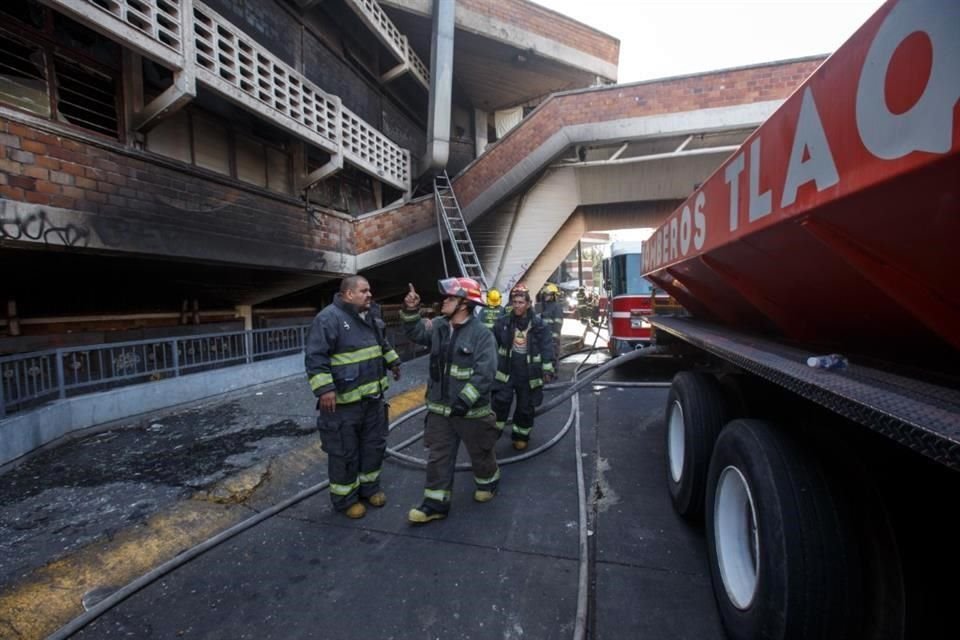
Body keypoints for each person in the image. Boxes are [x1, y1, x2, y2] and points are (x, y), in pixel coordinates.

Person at [401, 278, 500, 524]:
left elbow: (485, 374)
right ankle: (435, 504)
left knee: (481, 452)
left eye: (450, 298)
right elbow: (414, 332)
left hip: (472, 413)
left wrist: (464, 401)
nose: (444, 302)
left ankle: (488, 481)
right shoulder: (439, 326)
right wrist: (411, 310)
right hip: (439, 410)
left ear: (464, 304)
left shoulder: (482, 335)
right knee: (438, 457)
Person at [305, 276, 401, 519]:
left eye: (369, 290)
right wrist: (325, 389)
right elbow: (316, 358)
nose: (369, 294)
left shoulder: (371, 316)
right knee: (344, 453)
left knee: (373, 446)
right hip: (344, 405)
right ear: (348, 294)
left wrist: (393, 362)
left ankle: (370, 488)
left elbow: (382, 344)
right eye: (364, 291)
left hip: (373, 400)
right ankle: (345, 500)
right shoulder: (328, 319)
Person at [492, 283, 555, 451]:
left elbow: (547, 346)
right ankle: (491, 435)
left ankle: (521, 436)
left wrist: (547, 369)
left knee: (525, 407)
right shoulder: (503, 322)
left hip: (528, 374)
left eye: (521, 302)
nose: (517, 305)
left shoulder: (538, 324)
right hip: (506, 372)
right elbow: (491, 344)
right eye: (515, 302)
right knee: (499, 403)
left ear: (528, 304)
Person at [539, 282, 564, 367]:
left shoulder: (556, 307)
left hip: (552, 339)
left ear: (553, 295)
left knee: (552, 357)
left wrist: (554, 339)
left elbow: (558, 324)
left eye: (548, 294)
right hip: (544, 337)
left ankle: (554, 373)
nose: (546, 296)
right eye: (545, 294)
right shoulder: (544, 306)